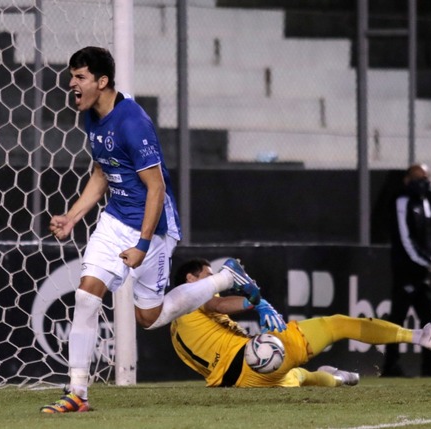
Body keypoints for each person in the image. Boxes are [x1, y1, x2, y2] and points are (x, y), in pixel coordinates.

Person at [40, 47, 284, 414]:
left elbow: (155, 189)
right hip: (115, 219)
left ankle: (223, 279)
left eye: (80, 77)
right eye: (72, 76)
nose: (71, 84)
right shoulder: (91, 115)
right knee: (87, 296)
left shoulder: (133, 123)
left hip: (153, 228)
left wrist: (142, 244)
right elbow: (102, 169)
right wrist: (74, 216)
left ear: (102, 82)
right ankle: (78, 392)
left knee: (148, 318)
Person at [170, 258, 431, 388]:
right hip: (248, 361)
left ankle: (339, 378)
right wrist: (253, 302)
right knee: (337, 324)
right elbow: (216, 303)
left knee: (302, 377)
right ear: (191, 281)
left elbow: (215, 312)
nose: (215, 284)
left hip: (240, 383)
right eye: (208, 276)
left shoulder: (175, 325)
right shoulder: (191, 299)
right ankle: (419, 337)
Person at [382, 163, 431, 377]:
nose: (423, 183)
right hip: (405, 270)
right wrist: (424, 260)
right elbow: (404, 238)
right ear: (408, 180)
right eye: (419, 178)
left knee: (429, 316)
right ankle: (390, 365)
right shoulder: (402, 201)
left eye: (426, 178)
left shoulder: (425, 202)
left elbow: (427, 234)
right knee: (398, 318)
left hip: (421, 272)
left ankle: (429, 364)